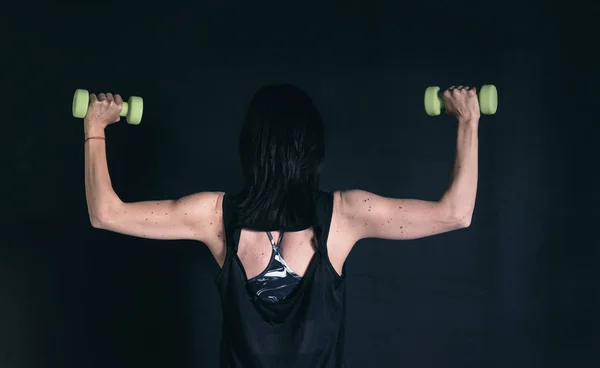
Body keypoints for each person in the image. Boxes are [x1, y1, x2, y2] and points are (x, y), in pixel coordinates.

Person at [83, 84, 480, 367]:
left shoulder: (212, 217)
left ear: (249, 149)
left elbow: (106, 213)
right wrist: (467, 121)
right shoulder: (346, 214)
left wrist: (95, 127)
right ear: (313, 151)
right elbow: (455, 213)